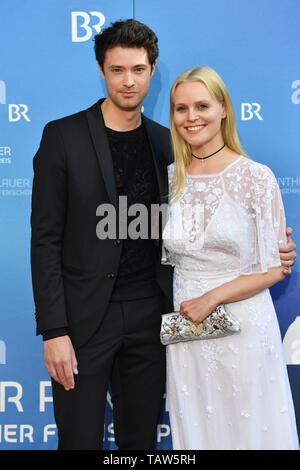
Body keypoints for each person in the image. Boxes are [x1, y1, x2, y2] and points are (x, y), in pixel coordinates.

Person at [30, 19, 173, 450]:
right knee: (78, 440)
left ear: (152, 71)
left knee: (139, 442)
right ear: (100, 69)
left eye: (138, 70)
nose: (128, 81)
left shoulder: (167, 143)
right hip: (82, 321)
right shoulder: (63, 136)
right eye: (117, 70)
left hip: (151, 315)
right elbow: (45, 239)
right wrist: (54, 330)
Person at [162, 66, 299, 450]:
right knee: (197, 429)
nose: (191, 118)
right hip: (186, 326)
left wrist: (212, 298)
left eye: (202, 106)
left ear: (223, 109)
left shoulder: (255, 176)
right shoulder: (171, 177)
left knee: (248, 429)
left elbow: (274, 266)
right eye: (181, 108)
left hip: (242, 325)